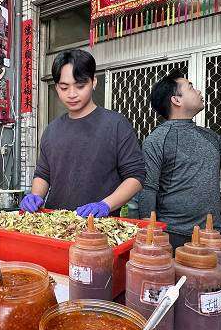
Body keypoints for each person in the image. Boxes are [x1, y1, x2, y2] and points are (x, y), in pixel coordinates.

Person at [139, 72, 221, 248]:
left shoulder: (210, 136)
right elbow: (148, 189)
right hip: (173, 235)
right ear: (176, 100)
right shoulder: (157, 139)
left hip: (213, 234)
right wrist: (150, 238)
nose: (198, 91)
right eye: (190, 87)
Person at [20, 49, 145, 217]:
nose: (72, 94)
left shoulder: (116, 124)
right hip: (55, 224)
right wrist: (35, 196)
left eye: (80, 86)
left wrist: (105, 205)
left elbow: (135, 177)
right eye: (64, 88)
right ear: (57, 87)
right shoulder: (52, 130)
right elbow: (43, 175)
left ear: (93, 82)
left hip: (99, 228)